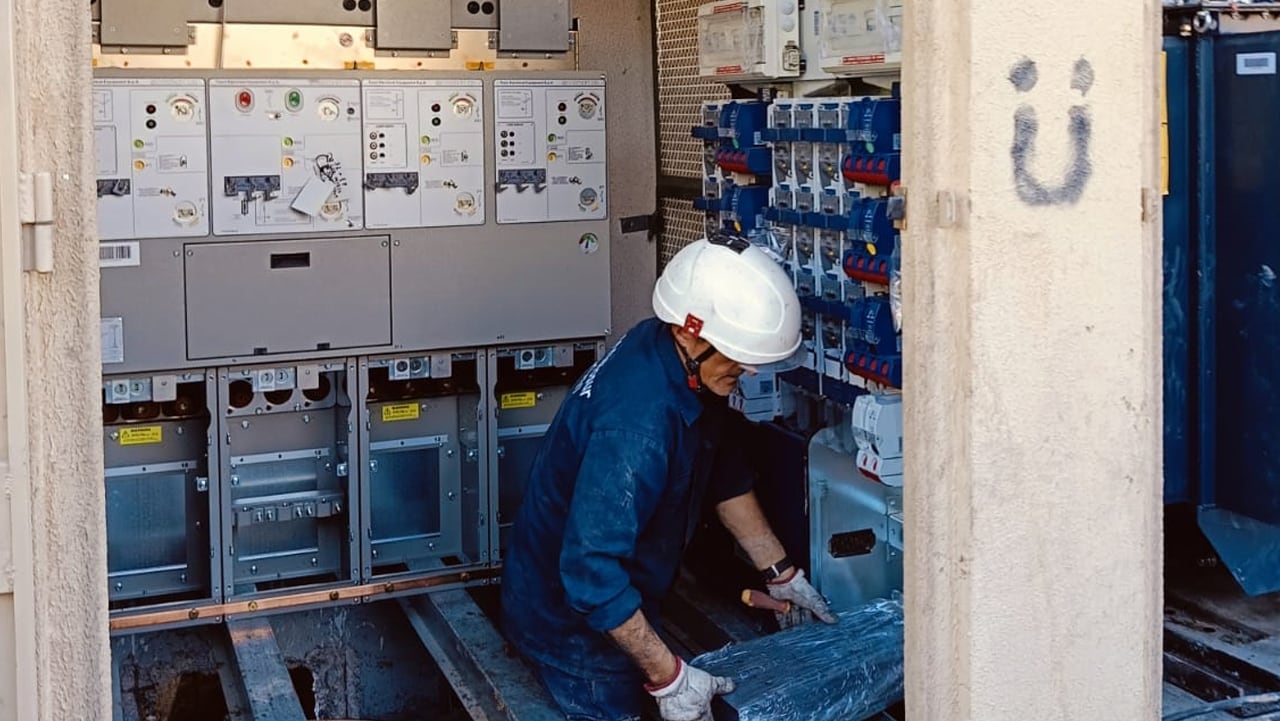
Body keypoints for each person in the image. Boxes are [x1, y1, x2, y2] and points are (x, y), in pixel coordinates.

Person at [499, 235, 838, 721]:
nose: (744, 370)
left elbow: (720, 469)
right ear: (688, 331)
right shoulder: (637, 427)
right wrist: (671, 679)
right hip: (575, 638)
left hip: (601, 602)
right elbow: (591, 574)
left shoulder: (669, 353)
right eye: (737, 356)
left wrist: (780, 573)